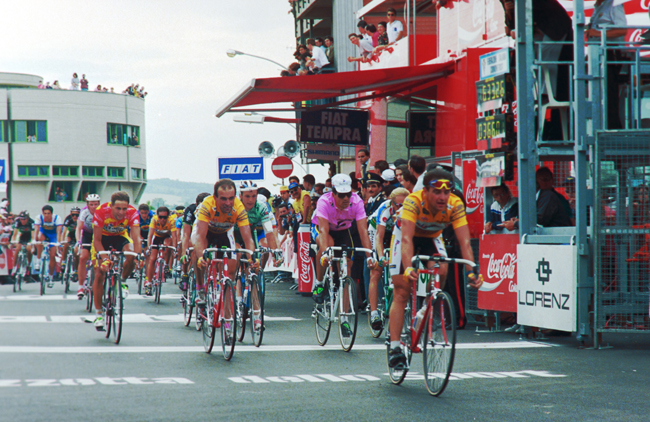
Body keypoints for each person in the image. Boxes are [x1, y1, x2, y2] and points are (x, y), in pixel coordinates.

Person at [387, 169, 483, 368]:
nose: (442, 197)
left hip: (432, 237)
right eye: (437, 192)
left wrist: (472, 271)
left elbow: (465, 242)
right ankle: (395, 347)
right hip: (406, 235)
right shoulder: (413, 201)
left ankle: (427, 305)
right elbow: (405, 240)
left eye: (446, 192)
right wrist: (407, 268)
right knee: (402, 290)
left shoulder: (455, 204)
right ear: (425, 191)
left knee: (442, 268)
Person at [311, 174, 377, 335]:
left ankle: (345, 318)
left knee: (346, 267)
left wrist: (370, 256)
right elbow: (324, 231)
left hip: (343, 231)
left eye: (348, 194)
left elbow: (363, 231)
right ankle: (319, 284)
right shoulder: (324, 201)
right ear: (333, 193)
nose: (346, 198)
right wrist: (327, 254)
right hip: (322, 229)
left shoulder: (357, 201)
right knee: (328, 248)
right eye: (341, 195)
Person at [193, 179, 256, 305]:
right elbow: (199, 237)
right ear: (215, 197)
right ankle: (200, 287)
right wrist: (201, 257)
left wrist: (252, 259)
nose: (228, 203)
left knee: (230, 273)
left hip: (224, 232)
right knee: (198, 253)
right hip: (206, 231)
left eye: (231, 198)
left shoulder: (238, 207)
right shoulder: (207, 205)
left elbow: (248, 238)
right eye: (223, 199)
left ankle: (227, 318)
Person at [91, 191, 142, 330]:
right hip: (102, 240)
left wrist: (139, 256)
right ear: (111, 206)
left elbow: (136, 238)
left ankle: (123, 281)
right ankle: (99, 314)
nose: (121, 212)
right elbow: (96, 240)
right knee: (100, 273)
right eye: (118, 208)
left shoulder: (132, 213)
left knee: (131, 255)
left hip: (120, 236)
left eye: (124, 209)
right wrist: (105, 259)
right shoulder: (101, 211)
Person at [367, 188, 409, 331]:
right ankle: (374, 314)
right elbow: (379, 236)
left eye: (405, 205)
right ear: (392, 203)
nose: (402, 208)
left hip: (395, 233)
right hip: (376, 231)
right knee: (376, 271)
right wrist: (381, 257)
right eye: (398, 205)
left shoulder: (409, 210)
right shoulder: (385, 209)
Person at [587, 0, 627, 129]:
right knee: (599, 92)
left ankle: (613, 128)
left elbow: (622, 30)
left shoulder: (613, 4)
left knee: (609, 92)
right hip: (597, 54)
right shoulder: (598, 5)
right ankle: (601, 126)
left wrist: (597, 33)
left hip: (610, 53)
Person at [178, 192, 210, 291]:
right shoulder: (190, 211)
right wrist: (184, 253)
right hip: (193, 230)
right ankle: (185, 274)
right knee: (191, 246)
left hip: (205, 231)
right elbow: (186, 234)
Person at [144, 206, 177, 295]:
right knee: (152, 259)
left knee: (168, 245)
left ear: (168, 216)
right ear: (157, 216)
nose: (162, 219)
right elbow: (150, 235)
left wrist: (175, 249)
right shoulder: (154, 220)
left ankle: (166, 265)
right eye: (160, 217)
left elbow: (174, 236)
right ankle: (149, 283)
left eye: (165, 217)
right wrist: (149, 247)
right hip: (157, 237)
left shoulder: (171, 221)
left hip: (166, 237)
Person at [75, 194, 101, 298]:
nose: (94, 206)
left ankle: (98, 282)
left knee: (98, 260)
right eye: (91, 204)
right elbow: (79, 228)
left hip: (99, 234)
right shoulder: (84, 212)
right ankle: (80, 286)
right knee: (83, 257)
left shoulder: (102, 211)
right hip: (87, 234)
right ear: (87, 205)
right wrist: (78, 241)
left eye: (96, 204)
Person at [34, 205, 63, 284]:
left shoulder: (57, 218)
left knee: (52, 256)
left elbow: (58, 233)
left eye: (48, 213)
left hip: (53, 235)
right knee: (39, 239)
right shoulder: (39, 217)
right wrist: (34, 240)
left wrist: (58, 243)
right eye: (45, 213)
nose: (46, 215)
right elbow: (36, 230)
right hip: (44, 233)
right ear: (42, 213)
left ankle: (50, 276)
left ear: (51, 214)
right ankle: (38, 260)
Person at [60, 207, 81, 277]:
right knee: (66, 244)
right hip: (71, 235)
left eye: (77, 215)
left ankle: (76, 269)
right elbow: (64, 231)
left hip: (79, 236)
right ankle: (63, 262)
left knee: (76, 252)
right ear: (70, 214)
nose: (74, 217)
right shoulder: (68, 219)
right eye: (73, 215)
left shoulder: (81, 219)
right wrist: (62, 242)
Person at [138, 203, 154, 285]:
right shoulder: (136, 216)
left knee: (148, 254)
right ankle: (137, 260)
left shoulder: (152, 216)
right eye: (142, 213)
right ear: (139, 212)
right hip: (139, 232)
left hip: (149, 233)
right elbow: (135, 230)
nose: (144, 215)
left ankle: (148, 275)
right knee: (138, 245)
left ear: (148, 212)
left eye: (146, 213)